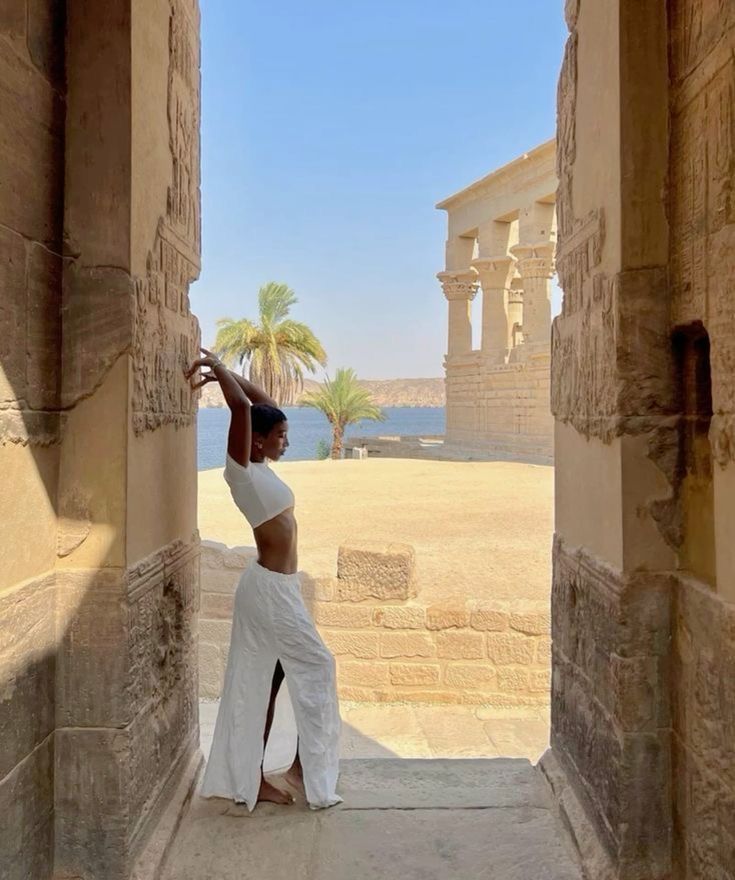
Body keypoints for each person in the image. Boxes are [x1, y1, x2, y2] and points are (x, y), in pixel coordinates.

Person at [186, 348, 342, 811]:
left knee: (267, 679)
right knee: (317, 666)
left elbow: (260, 401)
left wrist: (226, 372)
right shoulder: (241, 473)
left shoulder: (260, 467)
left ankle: (263, 775)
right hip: (270, 592)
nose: (286, 442)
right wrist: (215, 370)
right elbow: (241, 409)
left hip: (278, 588)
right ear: (257, 442)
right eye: (280, 436)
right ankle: (295, 768)